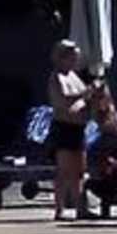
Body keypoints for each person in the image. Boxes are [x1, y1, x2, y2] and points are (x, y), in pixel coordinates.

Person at [45, 40, 92, 222]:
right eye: (72, 57)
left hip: (78, 127)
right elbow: (62, 102)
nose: (75, 61)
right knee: (64, 170)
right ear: (61, 57)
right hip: (64, 126)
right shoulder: (56, 77)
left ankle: (81, 207)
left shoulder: (74, 76)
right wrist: (84, 95)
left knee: (79, 170)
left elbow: (83, 99)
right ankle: (60, 209)